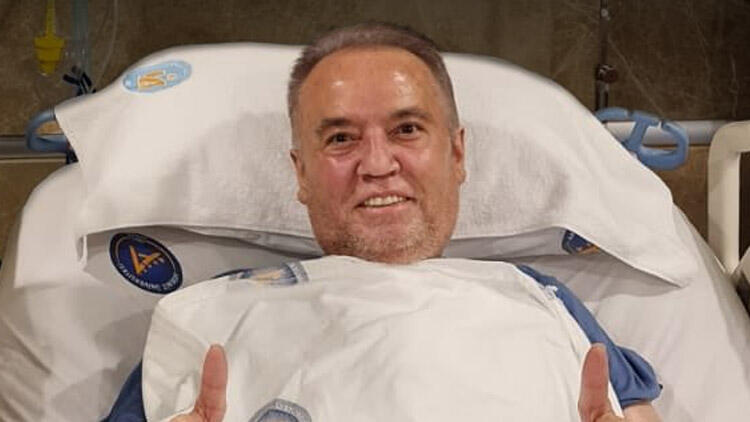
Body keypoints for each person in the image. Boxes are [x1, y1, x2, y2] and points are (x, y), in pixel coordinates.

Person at [105, 23, 661, 422]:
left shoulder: (540, 299)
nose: (376, 164)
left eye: (407, 129)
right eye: (340, 138)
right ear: (301, 173)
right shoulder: (209, 317)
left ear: (458, 154)